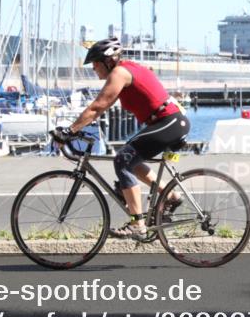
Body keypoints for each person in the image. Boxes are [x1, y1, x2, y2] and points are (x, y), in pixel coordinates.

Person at [64, 37, 189, 240]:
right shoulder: (126, 69)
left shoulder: (119, 73)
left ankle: (137, 224)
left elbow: (97, 107)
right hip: (167, 122)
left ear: (108, 60)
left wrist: (70, 131)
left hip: (169, 122)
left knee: (123, 160)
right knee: (131, 160)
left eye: (95, 62)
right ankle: (171, 196)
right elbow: (99, 110)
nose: (93, 68)